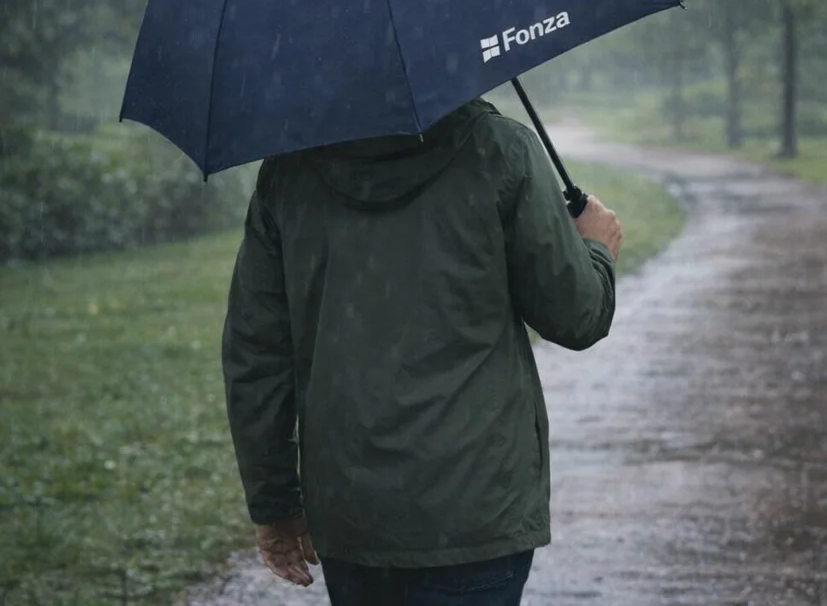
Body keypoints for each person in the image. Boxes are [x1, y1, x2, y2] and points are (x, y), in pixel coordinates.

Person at [222, 97, 622, 605]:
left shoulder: (289, 172)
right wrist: (596, 249)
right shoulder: (499, 150)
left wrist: (274, 504)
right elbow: (576, 317)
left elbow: (256, 355)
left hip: (352, 515)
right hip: (474, 507)